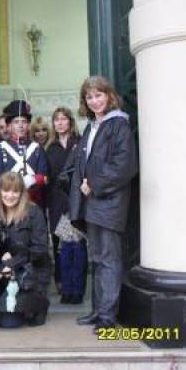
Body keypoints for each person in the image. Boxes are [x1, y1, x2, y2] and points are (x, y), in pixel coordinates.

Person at [69, 76, 137, 332]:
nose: (94, 100)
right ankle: (98, 311)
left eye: (99, 95)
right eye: (89, 96)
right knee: (97, 259)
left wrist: (94, 184)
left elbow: (124, 165)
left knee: (108, 260)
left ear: (109, 95)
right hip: (91, 204)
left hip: (108, 202)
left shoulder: (118, 124)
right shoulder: (91, 126)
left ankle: (108, 318)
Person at [0, 172, 51, 328]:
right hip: (5, 274)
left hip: (30, 273)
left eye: (15, 191)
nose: (10, 195)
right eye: (6, 190)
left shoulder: (34, 212)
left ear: (22, 193)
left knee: (11, 322)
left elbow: (40, 249)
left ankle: (40, 303)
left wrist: (12, 263)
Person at [46, 107, 85, 303]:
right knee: (59, 245)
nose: (60, 123)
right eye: (56, 119)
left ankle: (77, 290)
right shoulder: (49, 147)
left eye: (64, 119)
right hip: (56, 201)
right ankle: (62, 285)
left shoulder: (79, 143)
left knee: (77, 247)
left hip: (75, 200)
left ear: (70, 122)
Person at [0, 100, 48, 207]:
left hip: (34, 202)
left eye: (24, 121)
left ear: (28, 125)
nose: (21, 125)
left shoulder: (37, 148)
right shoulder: (0, 148)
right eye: (16, 122)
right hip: (9, 203)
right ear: (9, 126)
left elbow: (44, 177)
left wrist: (31, 180)